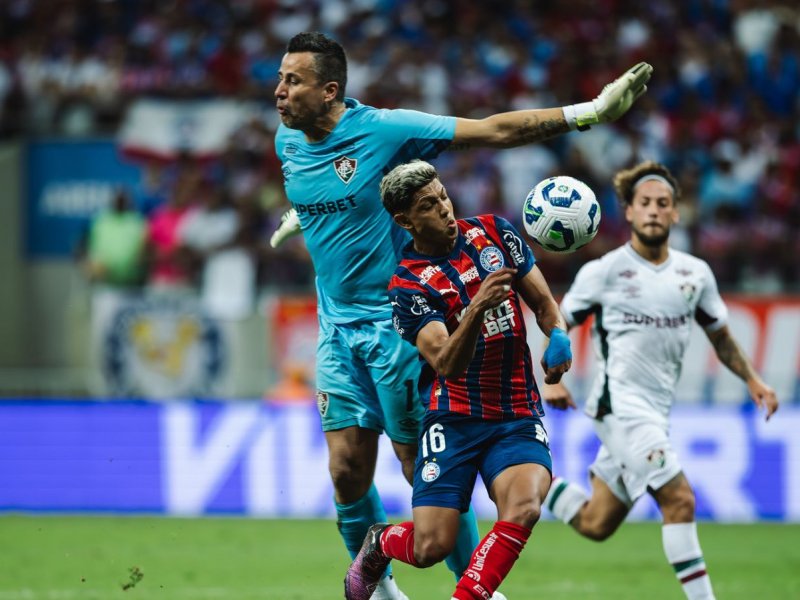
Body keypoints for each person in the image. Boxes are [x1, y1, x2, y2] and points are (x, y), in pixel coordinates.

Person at [269, 30, 651, 599]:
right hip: (336, 330)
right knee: (346, 468)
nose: (278, 91)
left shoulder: (382, 129)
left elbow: (492, 130)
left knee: (416, 469)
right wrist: (304, 213)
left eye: (292, 81)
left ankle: (474, 587)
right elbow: (329, 193)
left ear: (330, 91)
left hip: (402, 324)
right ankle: (380, 591)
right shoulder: (289, 140)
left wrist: (587, 112)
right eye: (280, 78)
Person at [541, 160, 779, 600]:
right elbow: (557, 321)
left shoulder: (695, 274)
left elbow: (720, 336)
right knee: (680, 500)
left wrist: (753, 380)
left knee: (596, 523)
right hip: (619, 408)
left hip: (655, 412)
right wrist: (552, 377)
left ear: (675, 213)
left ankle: (540, 485)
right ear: (629, 212)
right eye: (644, 203)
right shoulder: (605, 271)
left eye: (662, 203)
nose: (653, 210)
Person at [344, 160, 572, 600]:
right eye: (429, 206)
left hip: (516, 413)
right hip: (454, 419)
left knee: (524, 507)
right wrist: (476, 310)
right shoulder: (408, 285)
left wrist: (558, 333)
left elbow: (543, 301)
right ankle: (380, 541)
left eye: (443, 195)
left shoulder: (494, 234)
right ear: (405, 220)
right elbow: (446, 362)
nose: (445, 209)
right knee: (432, 546)